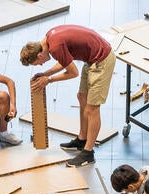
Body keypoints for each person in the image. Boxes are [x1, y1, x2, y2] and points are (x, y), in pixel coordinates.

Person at [20, 25, 115, 168]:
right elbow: (64, 60)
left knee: (92, 109)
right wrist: (46, 74)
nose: (41, 65)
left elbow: (73, 73)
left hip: (102, 60)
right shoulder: (49, 38)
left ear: (39, 55)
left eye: (38, 64)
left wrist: (49, 80)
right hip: (91, 59)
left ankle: (88, 153)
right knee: (82, 97)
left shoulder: (55, 47)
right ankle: (82, 140)